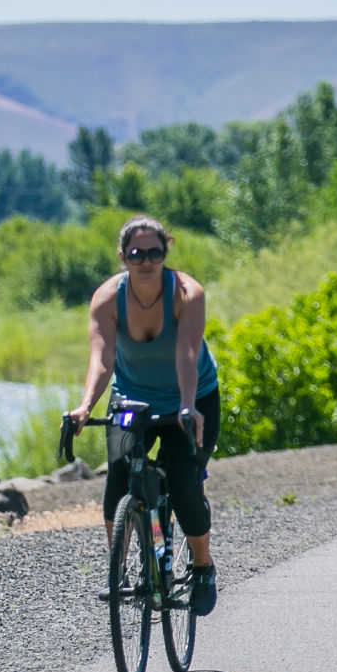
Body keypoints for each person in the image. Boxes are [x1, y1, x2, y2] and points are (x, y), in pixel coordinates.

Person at [68, 215, 222, 616]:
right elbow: (101, 359)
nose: (147, 261)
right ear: (123, 257)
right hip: (132, 400)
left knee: (185, 482)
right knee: (119, 475)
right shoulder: (107, 298)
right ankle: (118, 569)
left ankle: (203, 567)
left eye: (155, 252)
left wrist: (188, 405)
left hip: (192, 399)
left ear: (166, 251)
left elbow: (187, 352)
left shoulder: (187, 292)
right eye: (137, 254)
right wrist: (85, 406)